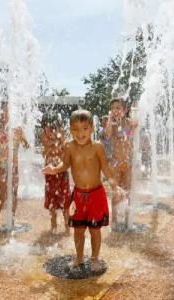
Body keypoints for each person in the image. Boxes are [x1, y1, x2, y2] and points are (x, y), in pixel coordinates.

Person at [43, 109, 118, 272]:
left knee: (95, 230)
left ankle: (95, 258)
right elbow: (65, 165)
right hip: (78, 195)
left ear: (92, 128)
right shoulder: (69, 146)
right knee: (78, 230)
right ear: (70, 130)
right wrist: (54, 169)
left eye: (84, 128)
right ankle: (78, 257)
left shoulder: (97, 147)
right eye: (75, 129)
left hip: (96, 194)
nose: (80, 133)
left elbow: (105, 167)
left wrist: (114, 185)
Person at [0, 102, 30, 231]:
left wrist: (24, 140)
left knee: (14, 193)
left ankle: (11, 219)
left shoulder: (18, 130)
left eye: (8, 111)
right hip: (0, 166)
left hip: (14, 167)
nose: (6, 114)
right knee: (3, 194)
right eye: (4, 112)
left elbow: (26, 145)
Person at [104, 98, 137, 229]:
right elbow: (107, 135)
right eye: (113, 108)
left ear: (125, 110)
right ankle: (114, 220)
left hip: (127, 164)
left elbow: (130, 135)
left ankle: (128, 219)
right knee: (116, 193)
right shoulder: (111, 126)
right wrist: (110, 120)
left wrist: (135, 124)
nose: (115, 111)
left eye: (118, 108)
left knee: (128, 191)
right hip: (116, 164)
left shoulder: (129, 123)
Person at [40, 113, 70, 234]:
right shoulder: (45, 139)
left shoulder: (62, 137)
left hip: (62, 172)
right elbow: (45, 148)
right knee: (52, 201)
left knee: (65, 201)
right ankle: (54, 227)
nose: (51, 131)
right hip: (50, 174)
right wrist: (51, 143)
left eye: (53, 128)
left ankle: (67, 227)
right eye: (48, 129)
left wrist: (59, 139)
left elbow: (65, 148)